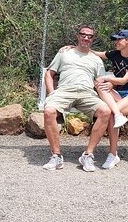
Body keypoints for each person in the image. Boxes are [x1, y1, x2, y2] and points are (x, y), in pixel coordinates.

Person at [42, 24, 112, 172]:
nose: (86, 38)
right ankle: (56, 156)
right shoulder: (64, 53)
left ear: (93, 39)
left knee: (105, 111)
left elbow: (101, 81)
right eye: (83, 34)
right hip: (65, 91)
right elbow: (49, 73)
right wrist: (51, 93)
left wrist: (110, 85)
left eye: (90, 36)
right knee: (49, 111)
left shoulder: (96, 60)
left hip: (87, 93)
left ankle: (88, 155)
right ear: (78, 35)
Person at [93, 29, 128, 170]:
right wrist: (76, 47)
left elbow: (123, 80)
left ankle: (112, 155)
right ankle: (118, 115)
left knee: (110, 114)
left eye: (119, 39)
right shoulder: (114, 54)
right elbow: (96, 53)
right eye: (115, 39)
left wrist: (107, 78)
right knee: (100, 86)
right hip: (118, 94)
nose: (116, 42)